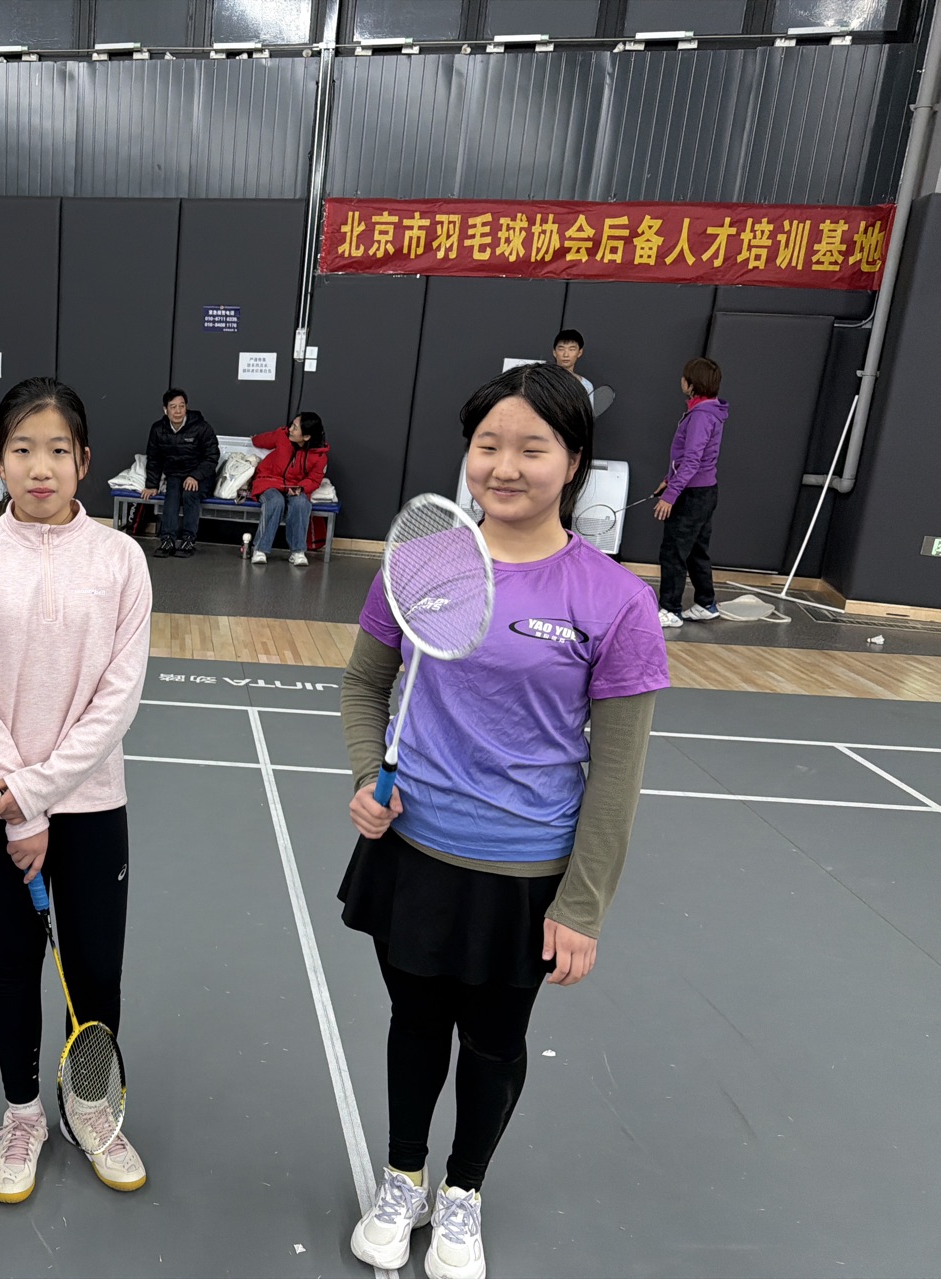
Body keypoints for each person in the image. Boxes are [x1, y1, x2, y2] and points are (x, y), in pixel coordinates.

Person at [338, 362, 668, 1279]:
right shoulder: (422, 564)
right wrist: (369, 774)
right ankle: (404, 1176)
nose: (505, 466)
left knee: (493, 1041)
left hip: (526, 873)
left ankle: (463, 1191)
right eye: (488, 444)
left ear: (574, 461)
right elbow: (365, 685)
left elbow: (619, 772)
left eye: (533, 447)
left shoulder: (615, 600)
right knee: (414, 1022)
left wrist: (584, 903)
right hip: (413, 851)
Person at [0, 376, 153, 1206]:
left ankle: (89, 1105)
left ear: (84, 461)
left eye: (57, 449)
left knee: (95, 968)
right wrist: (16, 804)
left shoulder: (122, 560)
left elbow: (117, 698)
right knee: (16, 957)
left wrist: (37, 794)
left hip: (92, 802)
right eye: (22, 449)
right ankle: (23, 1111)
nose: (40, 466)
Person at [655, 358, 728, 629]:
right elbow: (688, 459)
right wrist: (668, 480)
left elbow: (693, 460)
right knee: (697, 551)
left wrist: (670, 496)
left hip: (693, 495)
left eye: (685, 377)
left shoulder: (701, 416)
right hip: (703, 491)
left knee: (673, 552)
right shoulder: (707, 411)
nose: (681, 380)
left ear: (692, 383)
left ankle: (671, 610)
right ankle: (706, 604)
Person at [139, 387, 219, 558]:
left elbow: (212, 457)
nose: (178, 411)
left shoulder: (201, 427)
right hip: (175, 474)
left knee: (190, 493)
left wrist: (195, 475)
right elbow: (154, 459)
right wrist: (152, 485)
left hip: (200, 475)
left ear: (186, 407)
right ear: (165, 409)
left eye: (181, 406)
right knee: (172, 492)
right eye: (173, 407)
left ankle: (188, 540)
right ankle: (167, 540)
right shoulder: (158, 429)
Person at [249, 411, 329, 566]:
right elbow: (263, 440)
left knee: (301, 503)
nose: (290, 429)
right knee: (275, 501)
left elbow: (314, 480)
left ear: (306, 436)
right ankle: (260, 549)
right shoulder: (282, 436)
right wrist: (254, 439)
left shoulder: (319, 456)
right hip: (268, 481)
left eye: (295, 428)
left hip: (294, 486)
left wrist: (301, 487)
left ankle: (297, 552)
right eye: (292, 424)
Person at [551, 329, 593, 397]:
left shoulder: (586, 385)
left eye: (572, 349)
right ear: (554, 352)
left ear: (580, 352)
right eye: (561, 349)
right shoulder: (542, 380)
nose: (566, 355)